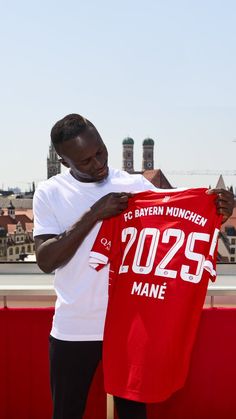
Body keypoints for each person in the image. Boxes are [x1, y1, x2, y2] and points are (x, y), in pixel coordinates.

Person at [33, 113, 234, 419]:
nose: (98, 163)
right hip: (75, 326)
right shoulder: (50, 192)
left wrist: (219, 207)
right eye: (85, 160)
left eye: (100, 151)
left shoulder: (135, 184)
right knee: (67, 413)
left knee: (132, 414)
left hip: (130, 328)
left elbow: (181, 219)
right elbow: (46, 260)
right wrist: (94, 214)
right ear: (63, 161)